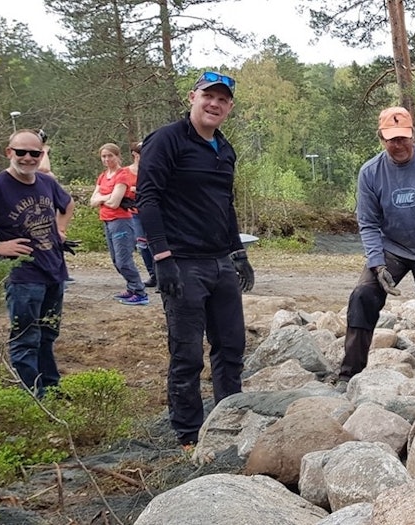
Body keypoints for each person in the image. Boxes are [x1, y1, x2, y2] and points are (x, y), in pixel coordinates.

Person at [136, 71, 254, 449]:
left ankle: (227, 418)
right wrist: (162, 256)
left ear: (229, 107)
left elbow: (225, 205)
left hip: (220, 262)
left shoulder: (225, 149)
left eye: (222, 99)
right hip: (182, 262)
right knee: (186, 353)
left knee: (231, 346)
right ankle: (188, 432)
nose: (214, 104)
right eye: (208, 96)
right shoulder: (166, 140)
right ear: (193, 97)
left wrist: (239, 253)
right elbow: (148, 199)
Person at [338, 106, 415, 384]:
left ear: (413, 135)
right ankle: (350, 373)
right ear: (381, 138)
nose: (399, 144)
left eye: (403, 137)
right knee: (362, 296)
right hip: (391, 248)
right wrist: (376, 263)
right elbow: (368, 223)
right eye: (392, 139)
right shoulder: (370, 172)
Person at [0, 130, 74, 396]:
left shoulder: (45, 182)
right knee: (26, 338)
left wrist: (60, 230)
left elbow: (67, 203)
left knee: (48, 334)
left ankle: (50, 388)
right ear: (9, 152)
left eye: (35, 153)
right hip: (23, 274)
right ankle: (33, 396)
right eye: (21, 152)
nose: (28, 158)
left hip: (53, 269)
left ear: (41, 155)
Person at [89, 143, 148, 305]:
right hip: (107, 220)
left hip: (121, 220)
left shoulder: (122, 175)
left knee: (124, 260)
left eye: (110, 156)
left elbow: (115, 203)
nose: (107, 159)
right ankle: (131, 288)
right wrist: (105, 197)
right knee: (116, 260)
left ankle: (139, 291)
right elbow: (92, 201)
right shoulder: (103, 176)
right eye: (104, 156)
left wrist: (103, 197)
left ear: (118, 156)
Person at [126, 141, 156, 287]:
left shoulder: (152, 169)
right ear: (134, 155)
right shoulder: (126, 172)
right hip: (134, 212)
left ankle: (159, 274)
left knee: (154, 242)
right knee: (142, 244)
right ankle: (152, 274)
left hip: (152, 211)